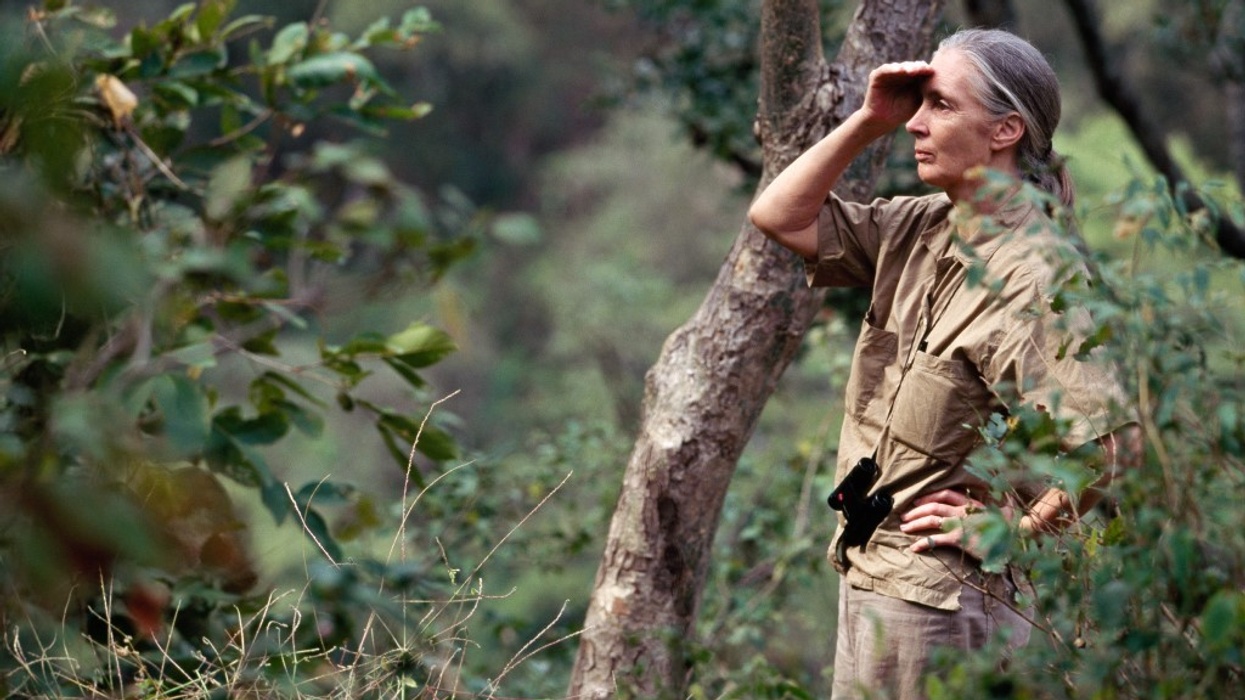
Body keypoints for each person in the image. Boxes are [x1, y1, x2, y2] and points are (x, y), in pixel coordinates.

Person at [747, 28, 1141, 699]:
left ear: (1004, 131)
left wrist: (1014, 531)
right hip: (874, 570)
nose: (915, 125)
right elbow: (777, 214)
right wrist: (868, 120)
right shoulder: (923, 225)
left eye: (940, 107)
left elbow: (1112, 443)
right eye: (917, 106)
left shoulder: (1036, 277)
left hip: (943, 607)